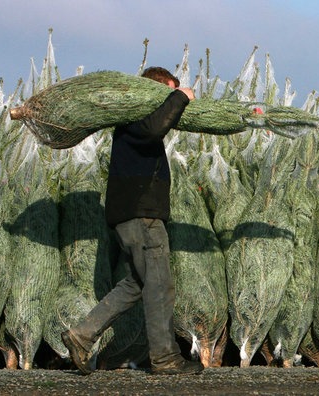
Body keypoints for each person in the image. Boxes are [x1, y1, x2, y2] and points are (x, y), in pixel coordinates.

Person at [61, 66, 203, 375]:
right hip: (142, 215)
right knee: (159, 285)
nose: (170, 99)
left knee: (137, 284)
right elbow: (155, 129)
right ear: (155, 89)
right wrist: (179, 97)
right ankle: (165, 358)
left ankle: (81, 335)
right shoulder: (137, 116)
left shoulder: (134, 119)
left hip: (132, 215)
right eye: (167, 91)